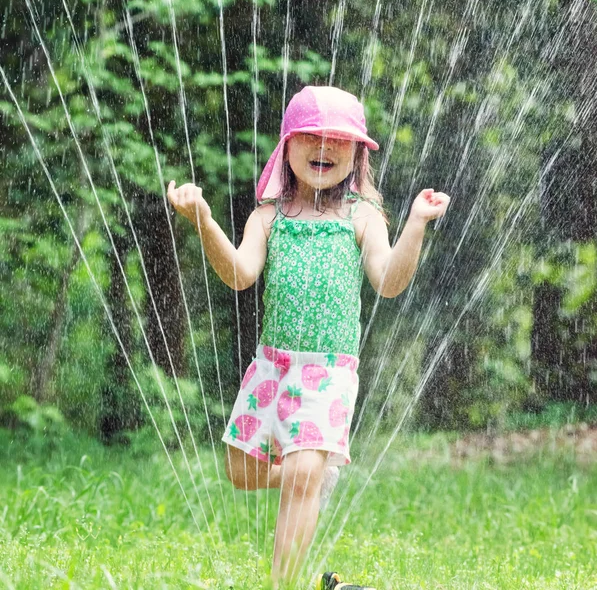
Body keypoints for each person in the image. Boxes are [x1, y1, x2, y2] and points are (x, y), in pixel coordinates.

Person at [167, 86, 450, 589]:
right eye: (312, 137)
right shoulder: (268, 217)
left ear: (358, 153)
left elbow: (388, 282)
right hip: (273, 367)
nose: (324, 147)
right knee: (241, 472)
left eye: (339, 140)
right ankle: (315, 475)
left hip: (328, 374)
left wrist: (416, 224)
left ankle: (284, 584)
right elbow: (239, 274)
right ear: (288, 146)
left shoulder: (361, 218)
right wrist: (205, 221)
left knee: (299, 476)